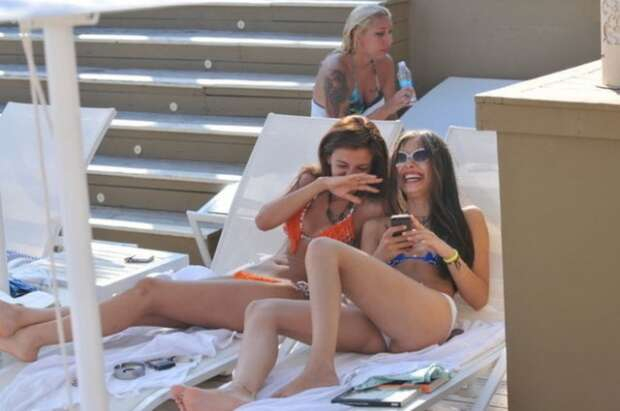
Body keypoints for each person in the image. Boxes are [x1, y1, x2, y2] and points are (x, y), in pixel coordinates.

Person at [0, 115, 390, 363]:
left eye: (359, 168)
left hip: (294, 296)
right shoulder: (312, 183)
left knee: (151, 291)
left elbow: (367, 286)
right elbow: (264, 221)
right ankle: (31, 318)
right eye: (341, 166)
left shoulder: (371, 210)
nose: (348, 176)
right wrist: (320, 185)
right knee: (149, 308)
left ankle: (34, 338)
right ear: (327, 159)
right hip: (257, 277)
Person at [170, 130, 490, 411]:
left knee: (322, 247)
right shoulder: (378, 225)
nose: (409, 164)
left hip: (430, 318)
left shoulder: (467, 218)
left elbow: (478, 298)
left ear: (439, 164)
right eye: (401, 158)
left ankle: (319, 368)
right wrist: (382, 254)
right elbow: (357, 294)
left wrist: (441, 248)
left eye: (420, 156)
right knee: (261, 311)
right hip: (379, 329)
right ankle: (239, 391)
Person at [311, 4, 414, 119]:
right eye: (380, 34)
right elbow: (340, 129)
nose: (389, 40)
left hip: (374, 131)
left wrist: (400, 107)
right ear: (357, 34)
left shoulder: (384, 63)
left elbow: (391, 118)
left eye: (390, 32)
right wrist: (388, 108)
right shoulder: (336, 70)